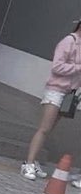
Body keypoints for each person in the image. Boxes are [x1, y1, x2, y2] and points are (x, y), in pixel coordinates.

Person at [21, 19, 81, 180]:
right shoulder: (69, 41)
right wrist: (78, 68)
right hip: (56, 90)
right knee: (44, 128)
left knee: (49, 129)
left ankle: (33, 162)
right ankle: (28, 163)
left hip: (69, 94)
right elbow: (57, 67)